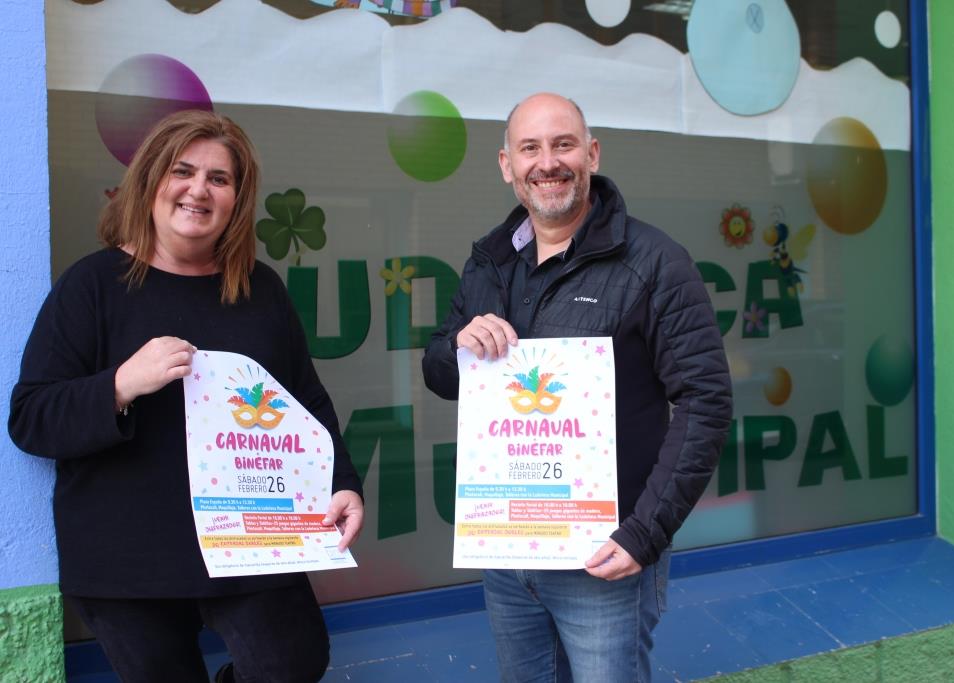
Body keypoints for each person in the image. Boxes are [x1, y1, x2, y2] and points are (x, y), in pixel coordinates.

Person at [8, 110, 364, 683]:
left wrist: (341, 482)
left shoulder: (260, 290)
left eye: (219, 179)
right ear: (152, 180)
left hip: (250, 542)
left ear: (236, 200)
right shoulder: (93, 285)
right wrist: (122, 383)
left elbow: (306, 403)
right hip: (127, 555)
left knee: (292, 663)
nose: (198, 189)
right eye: (183, 171)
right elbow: (30, 419)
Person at [422, 93, 732, 682]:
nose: (548, 162)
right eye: (530, 148)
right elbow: (439, 373)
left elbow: (705, 401)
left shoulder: (656, 261)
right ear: (506, 164)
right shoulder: (489, 261)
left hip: (604, 556)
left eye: (563, 144)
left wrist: (646, 534)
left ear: (591, 153)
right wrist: (457, 343)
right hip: (509, 550)